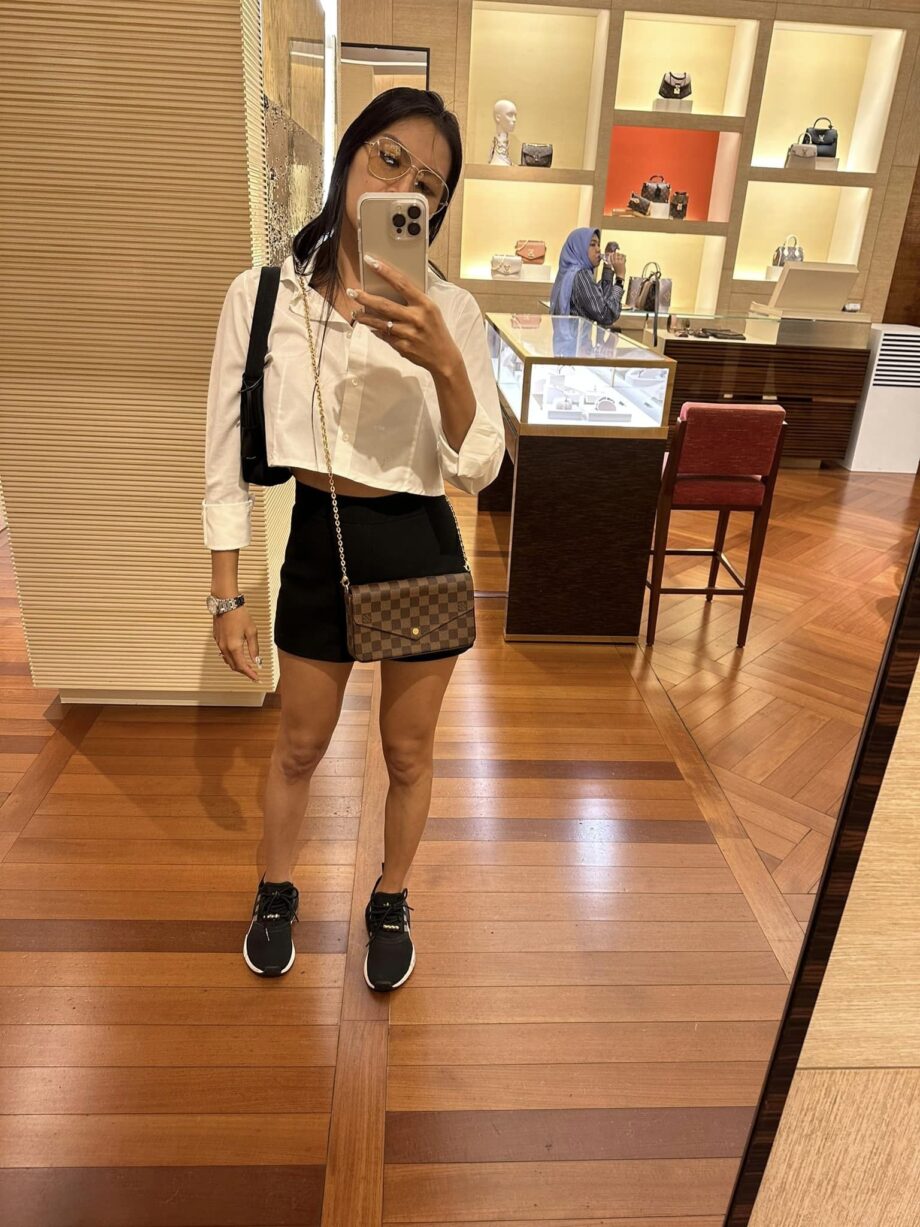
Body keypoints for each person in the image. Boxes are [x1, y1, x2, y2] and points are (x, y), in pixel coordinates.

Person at [201, 88, 506, 992]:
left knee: (408, 754)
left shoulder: (454, 312)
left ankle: (392, 895)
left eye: (429, 184)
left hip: (417, 541)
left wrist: (445, 362)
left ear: (436, 211)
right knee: (298, 747)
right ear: (348, 158)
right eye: (389, 157)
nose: (405, 186)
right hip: (318, 537)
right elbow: (221, 455)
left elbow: (479, 465)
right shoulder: (264, 297)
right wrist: (226, 593)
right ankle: (275, 888)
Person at [550, 227, 626, 327]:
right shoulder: (581, 274)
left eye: (598, 245)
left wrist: (607, 266)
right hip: (575, 337)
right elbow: (606, 315)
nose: (598, 249)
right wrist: (620, 278)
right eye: (592, 244)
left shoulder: (570, 271)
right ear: (579, 248)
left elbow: (601, 301)